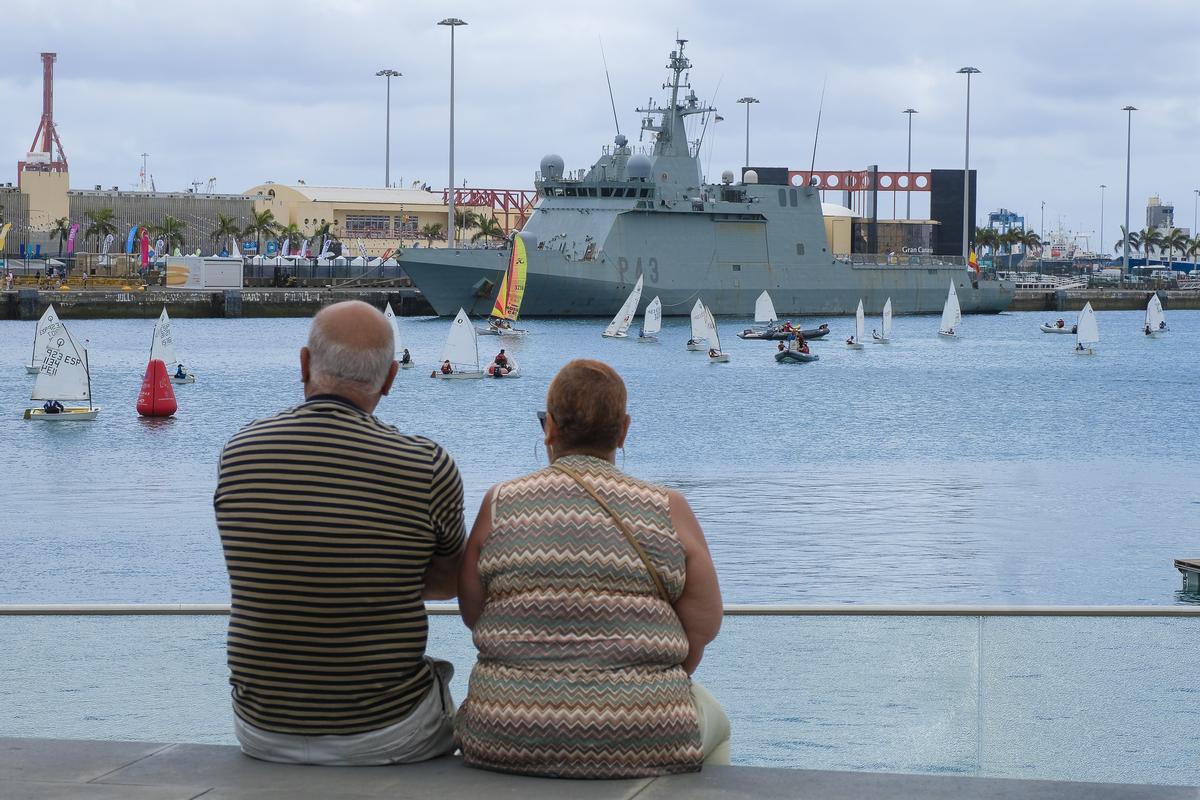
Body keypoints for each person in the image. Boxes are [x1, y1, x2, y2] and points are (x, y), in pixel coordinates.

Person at [214, 301, 467, 766]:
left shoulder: (240, 453)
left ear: (304, 364)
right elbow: (449, 582)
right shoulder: (427, 466)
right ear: (390, 379)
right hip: (388, 732)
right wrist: (378, 572)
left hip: (262, 728)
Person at [456, 360, 729, 778]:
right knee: (718, 725)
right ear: (623, 431)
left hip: (504, 732)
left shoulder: (500, 503)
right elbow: (704, 626)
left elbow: (473, 613)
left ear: (549, 428)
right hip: (645, 732)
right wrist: (646, 686)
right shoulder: (667, 508)